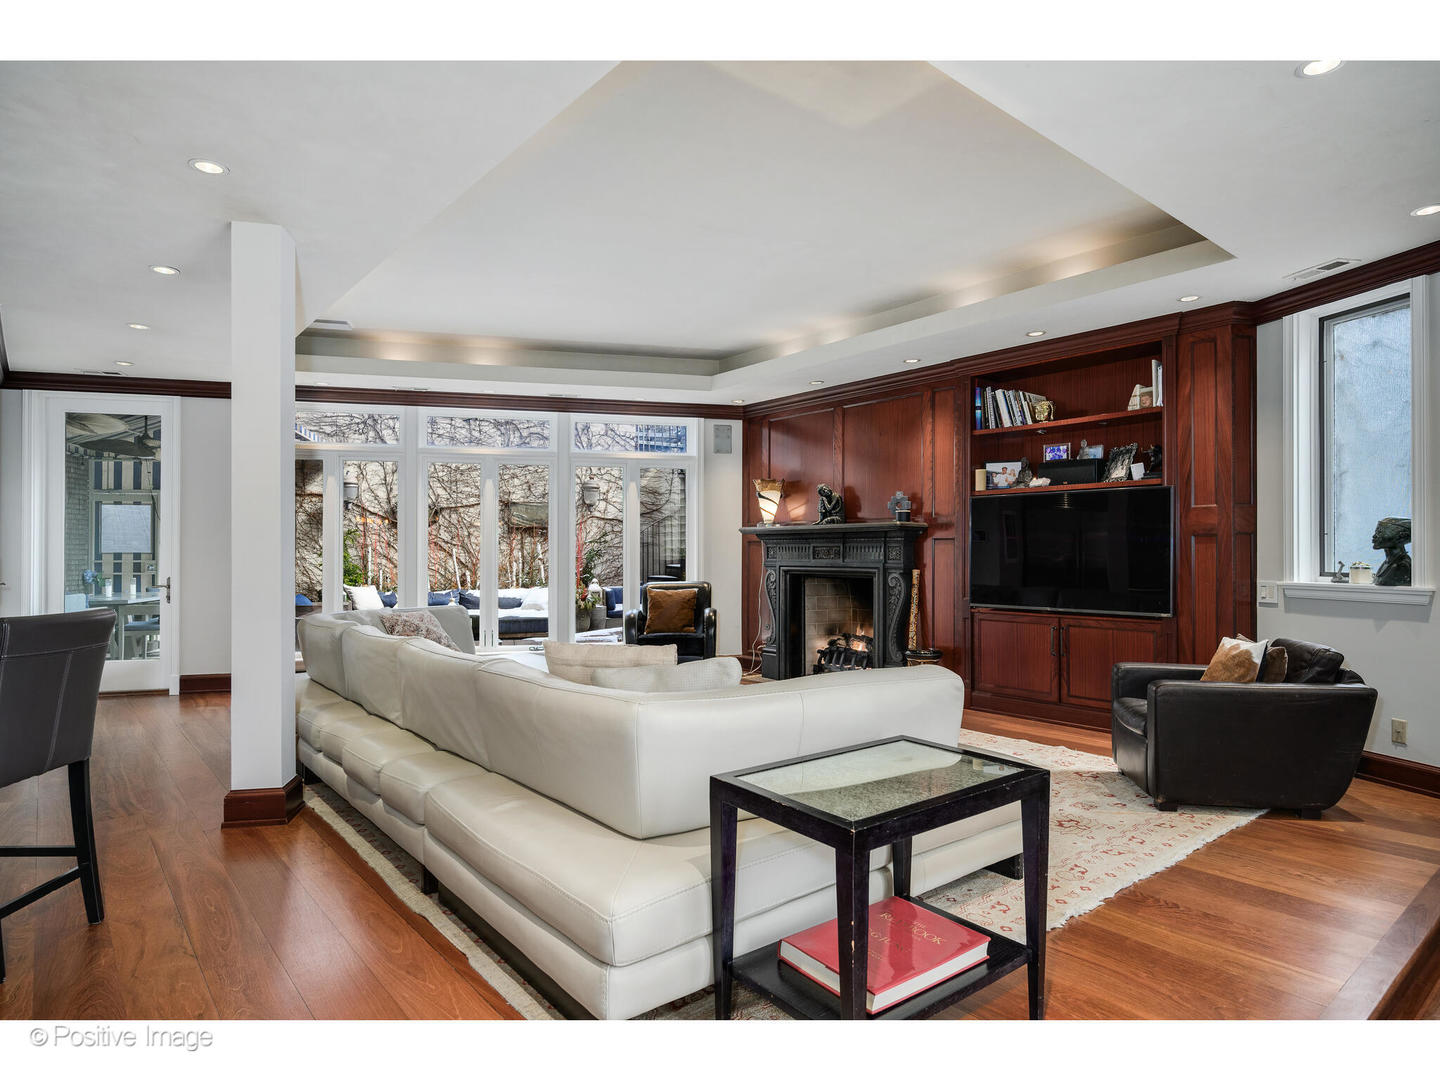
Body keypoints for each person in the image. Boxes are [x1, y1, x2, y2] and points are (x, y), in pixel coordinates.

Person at [1372, 517, 1412, 587]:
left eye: (1380, 532)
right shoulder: (1389, 562)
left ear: (1401, 536)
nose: (1374, 536)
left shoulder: (1403, 566)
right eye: (1376, 531)